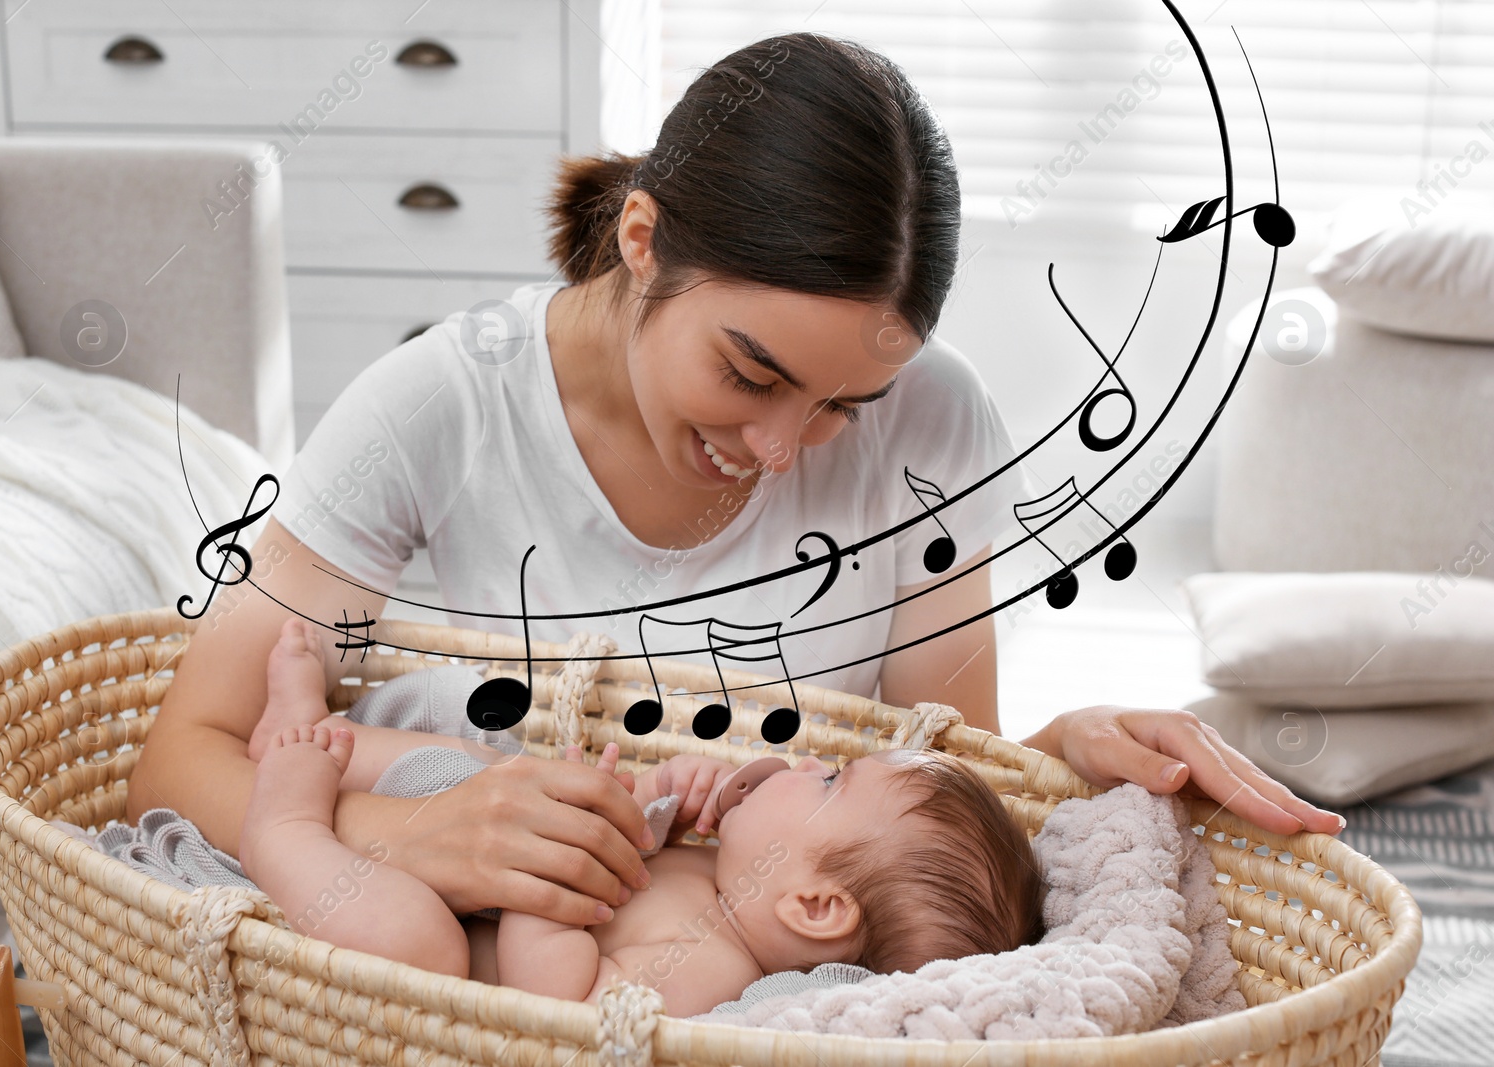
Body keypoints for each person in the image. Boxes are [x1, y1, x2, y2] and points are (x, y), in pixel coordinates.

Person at [128, 30, 1342, 932]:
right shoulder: (437, 412)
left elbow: (914, 787)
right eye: (749, 371)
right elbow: (182, 756)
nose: (781, 447)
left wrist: (1063, 751)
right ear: (642, 242)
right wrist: (412, 832)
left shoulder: (932, 419)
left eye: (838, 407)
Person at [241, 619, 1047, 1017]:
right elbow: (643, 852)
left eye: (831, 780)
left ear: (815, 904)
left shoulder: (714, 972)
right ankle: (307, 735)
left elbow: (565, 1000)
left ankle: (282, 824)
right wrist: (665, 805)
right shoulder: (730, 875)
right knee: (497, 767)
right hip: (453, 841)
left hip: (448, 933)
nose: (805, 762)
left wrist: (547, 879)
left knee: (421, 943)